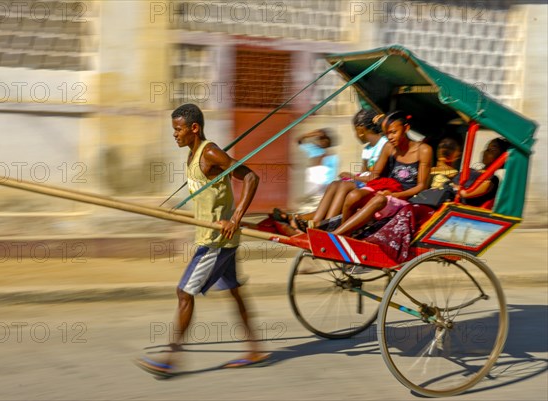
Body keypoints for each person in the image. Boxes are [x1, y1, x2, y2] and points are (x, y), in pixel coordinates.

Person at [136, 104, 269, 377]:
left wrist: (235, 219)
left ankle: (171, 358)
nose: (175, 134)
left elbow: (251, 177)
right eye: (173, 129)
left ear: (194, 128)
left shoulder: (209, 152)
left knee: (184, 293)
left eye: (178, 129)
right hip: (216, 238)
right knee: (234, 290)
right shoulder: (193, 154)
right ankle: (255, 348)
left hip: (216, 242)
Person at [273, 109, 387, 231]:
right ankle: (315, 222)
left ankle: (324, 224)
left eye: (355, 131)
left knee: (344, 186)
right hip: (364, 183)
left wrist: (353, 177)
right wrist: (352, 176)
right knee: (335, 184)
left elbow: (375, 176)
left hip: (376, 186)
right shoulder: (367, 149)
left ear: (361, 129)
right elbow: (363, 172)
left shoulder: (384, 144)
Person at [331, 110, 433, 236]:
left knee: (379, 199)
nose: (390, 137)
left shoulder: (423, 150)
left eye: (393, 132)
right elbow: (375, 175)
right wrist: (352, 177)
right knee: (354, 195)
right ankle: (345, 234)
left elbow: (421, 186)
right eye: (387, 134)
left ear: (406, 128)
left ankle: (336, 235)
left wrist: (396, 195)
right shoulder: (389, 148)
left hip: (405, 198)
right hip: (387, 191)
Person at [451, 137, 510, 207]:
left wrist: (450, 186)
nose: (485, 152)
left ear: (500, 157)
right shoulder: (471, 170)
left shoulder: (491, 180)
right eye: (487, 148)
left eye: (492, 150)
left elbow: (465, 193)